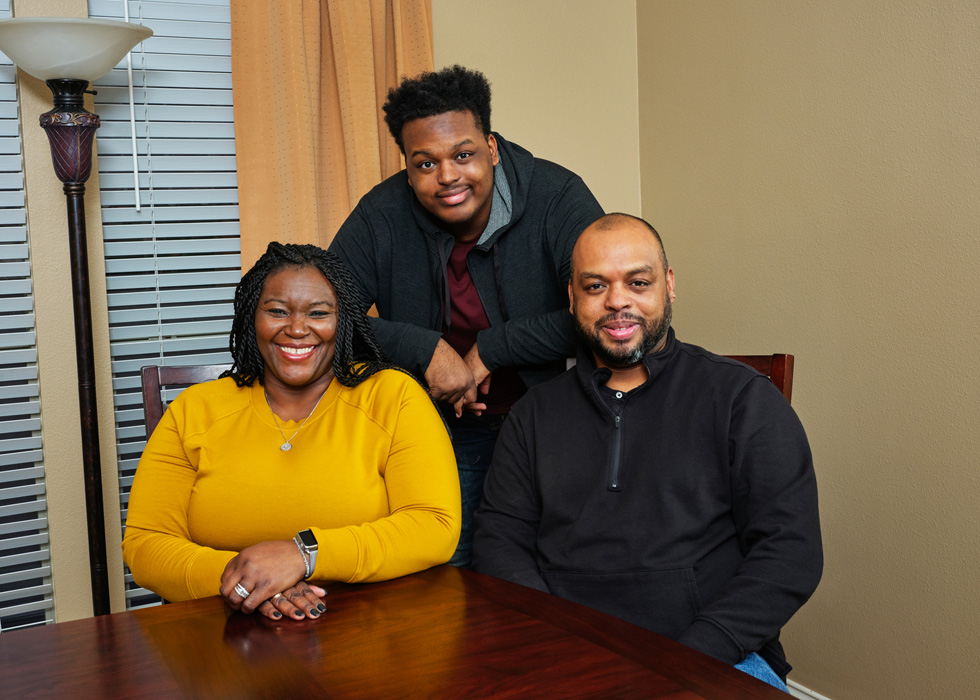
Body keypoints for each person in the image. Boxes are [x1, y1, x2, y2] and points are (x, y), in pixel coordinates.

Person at [472, 214, 822, 690]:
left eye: (638, 282)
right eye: (595, 286)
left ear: (669, 285)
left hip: (713, 656)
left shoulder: (742, 398)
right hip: (566, 652)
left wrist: (683, 660)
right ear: (572, 297)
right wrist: (559, 640)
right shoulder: (534, 413)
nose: (618, 301)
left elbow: (791, 551)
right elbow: (500, 539)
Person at [329, 65, 604, 567]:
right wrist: (426, 350)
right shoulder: (382, 213)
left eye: (463, 154)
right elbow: (325, 318)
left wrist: (492, 350)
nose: (448, 176)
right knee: (449, 580)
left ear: (492, 148)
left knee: (568, 575)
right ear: (408, 168)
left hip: (556, 423)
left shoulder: (557, 197)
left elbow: (603, 313)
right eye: (425, 163)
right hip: (439, 430)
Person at [123, 243, 461, 621]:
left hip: (371, 633)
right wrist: (252, 581)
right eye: (277, 311)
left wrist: (304, 553)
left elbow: (434, 525)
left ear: (343, 321)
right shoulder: (194, 409)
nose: (297, 329)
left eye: (318, 313)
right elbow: (146, 545)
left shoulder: (393, 398)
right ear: (253, 317)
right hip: (221, 643)